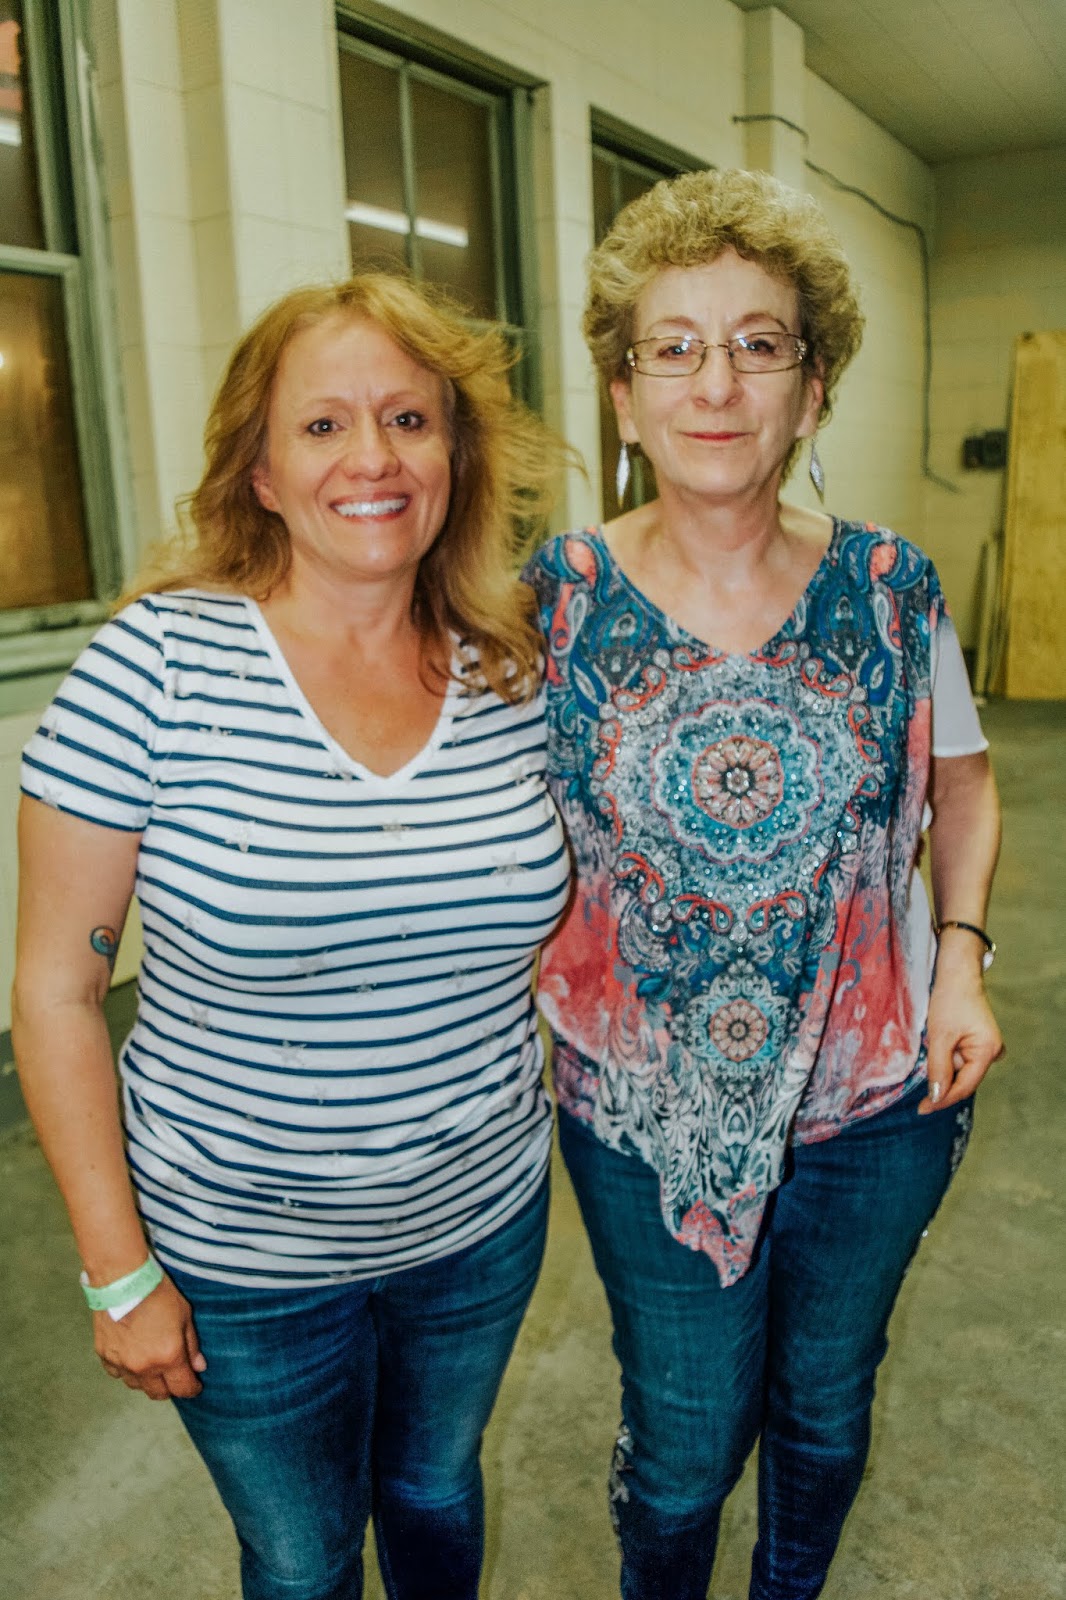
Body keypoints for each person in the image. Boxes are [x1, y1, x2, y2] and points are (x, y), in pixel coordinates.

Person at [13, 273, 571, 1600]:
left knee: (436, 1488)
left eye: (408, 420)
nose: (371, 458)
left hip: (477, 1219)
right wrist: (116, 1273)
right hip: (239, 1253)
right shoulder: (157, 665)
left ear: (454, 454)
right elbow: (50, 993)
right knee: (306, 1556)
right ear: (260, 472)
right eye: (321, 427)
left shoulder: (511, 671)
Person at [525, 168, 1003, 1600]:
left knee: (821, 1410)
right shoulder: (544, 601)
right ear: (621, 395)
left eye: (757, 341)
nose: (713, 380)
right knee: (679, 1444)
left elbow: (962, 782)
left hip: (878, 1103)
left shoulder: (891, 586)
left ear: (810, 388)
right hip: (639, 1113)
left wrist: (962, 957)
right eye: (670, 346)